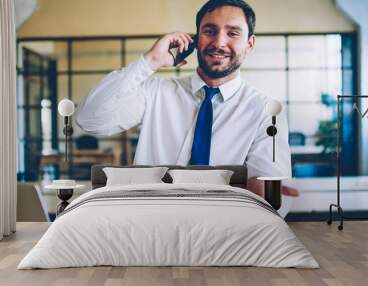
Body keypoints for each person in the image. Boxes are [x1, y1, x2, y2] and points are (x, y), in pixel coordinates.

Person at [76, 0, 299, 197]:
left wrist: (267, 194)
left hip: (224, 230)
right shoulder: (156, 93)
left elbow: (266, 190)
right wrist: (150, 62)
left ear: (249, 44)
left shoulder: (266, 112)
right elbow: (89, 119)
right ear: (196, 40)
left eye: (232, 33)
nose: (219, 42)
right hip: (151, 225)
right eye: (209, 31)